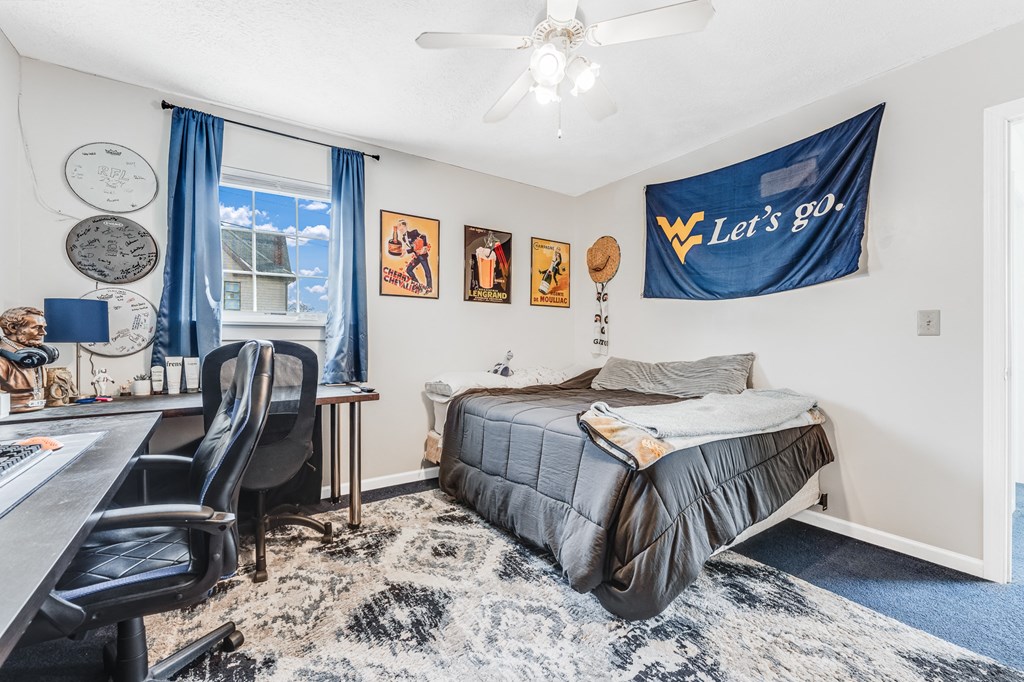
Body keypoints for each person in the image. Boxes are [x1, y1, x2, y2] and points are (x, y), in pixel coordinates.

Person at [0, 306, 51, 412]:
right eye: (36, 327)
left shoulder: (36, 356)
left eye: (43, 327)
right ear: (12, 327)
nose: (43, 333)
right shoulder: (2, 361)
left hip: (38, 411)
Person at [403, 227, 433, 294]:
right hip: (416, 257)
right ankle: (417, 285)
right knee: (408, 270)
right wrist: (406, 251)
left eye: (400, 227)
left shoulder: (413, 232)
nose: (400, 230)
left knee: (427, 271)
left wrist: (424, 247)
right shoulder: (403, 238)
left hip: (422, 256)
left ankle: (429, 287)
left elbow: (424, 236)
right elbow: (413, 248)